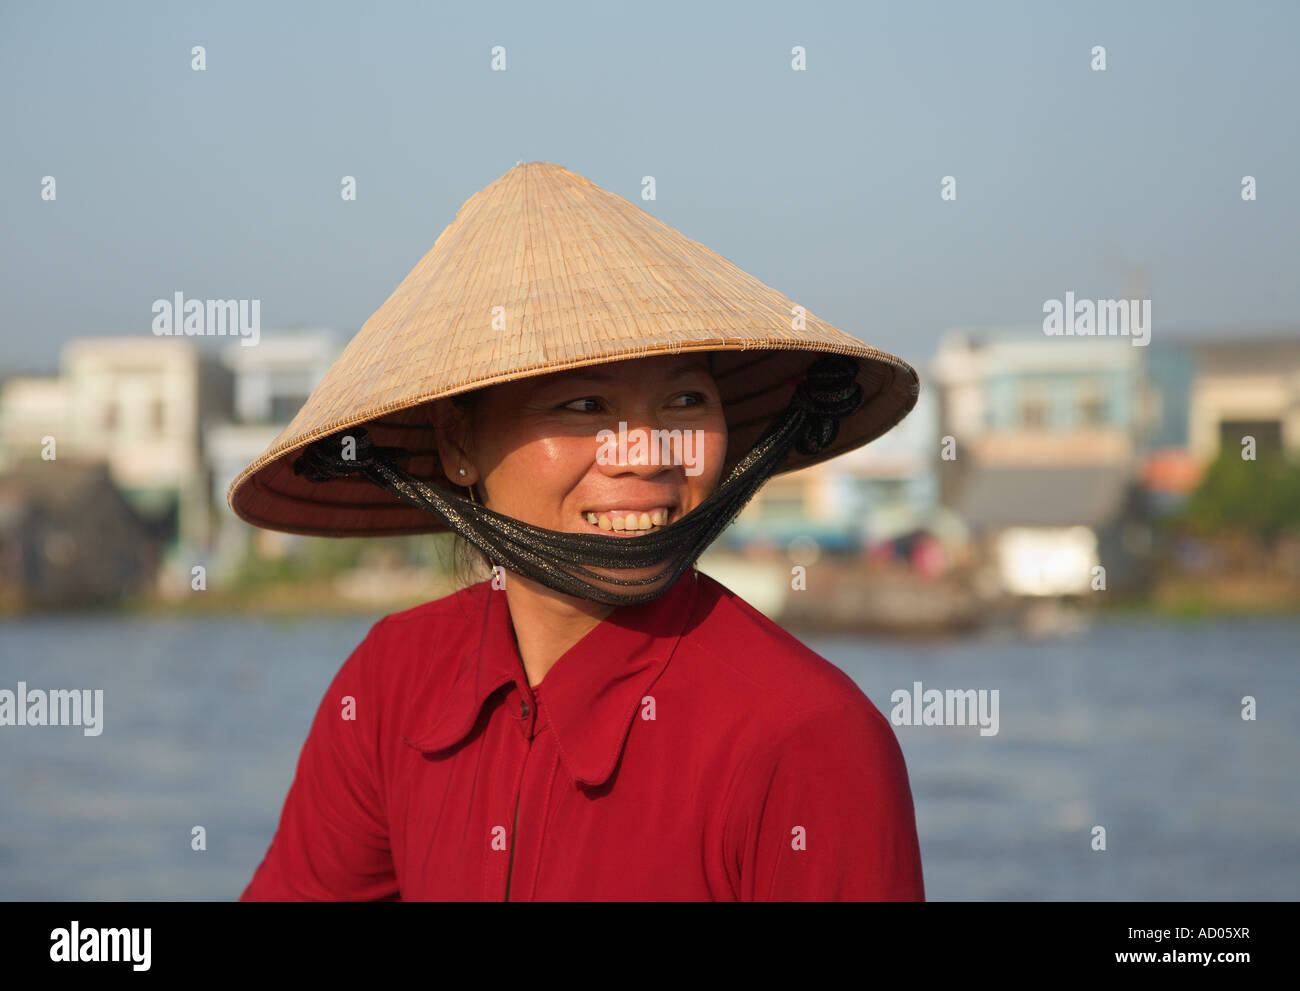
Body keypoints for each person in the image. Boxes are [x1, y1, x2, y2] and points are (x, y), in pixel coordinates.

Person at [230, 161, 925, 901]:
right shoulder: (392, 683)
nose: (647, 454)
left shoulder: (808, 737)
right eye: (584, 405)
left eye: (687, 398)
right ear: (458, 445)